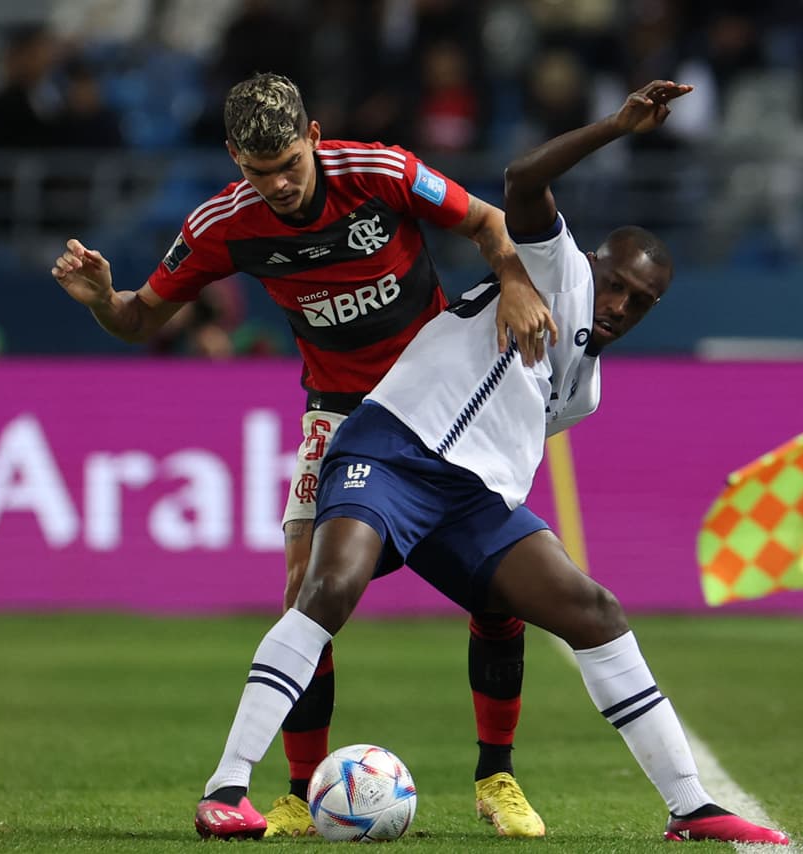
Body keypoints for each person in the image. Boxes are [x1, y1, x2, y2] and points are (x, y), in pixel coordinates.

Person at [192, 80, 792, 846]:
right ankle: (227, 790)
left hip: (471, 500)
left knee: (594, 611)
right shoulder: (558, 267)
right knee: (326, 589)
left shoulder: (587, 391)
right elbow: (520, 183)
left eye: (638, 302)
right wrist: (614, 125)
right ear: (595, 264)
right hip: (392, 444)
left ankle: (691, 807)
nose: (615, 305)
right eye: (615, 284)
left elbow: (511, 437)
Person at [51, 72, 558, 838]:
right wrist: (101, 301)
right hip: (340, 416)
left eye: (290, 163)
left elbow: (487, 221)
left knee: (496, 591)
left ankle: (497, 777)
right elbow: (139, 318)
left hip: (441, 406)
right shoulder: (225, 224)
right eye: (260, 173)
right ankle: (294, 792)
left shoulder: (381, 174)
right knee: (305, 594)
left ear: (315, 136)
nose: (280, 184)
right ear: (234, 160)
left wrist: (513, 281)